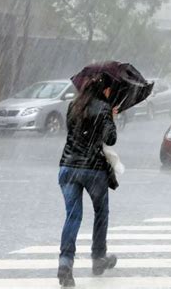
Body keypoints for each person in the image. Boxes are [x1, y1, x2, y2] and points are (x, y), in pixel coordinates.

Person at [57, 73, 118, 287]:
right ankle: (98, 258)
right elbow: (110, 139)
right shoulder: (103, 107)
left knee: (72, 217)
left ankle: (65, 264)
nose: (111, 93)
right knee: (101, 212)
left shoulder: (73, 105)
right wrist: (111, 116)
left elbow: (73, 134)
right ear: (104, 89)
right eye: (110, 89)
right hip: (93, 170)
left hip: (68, 167)